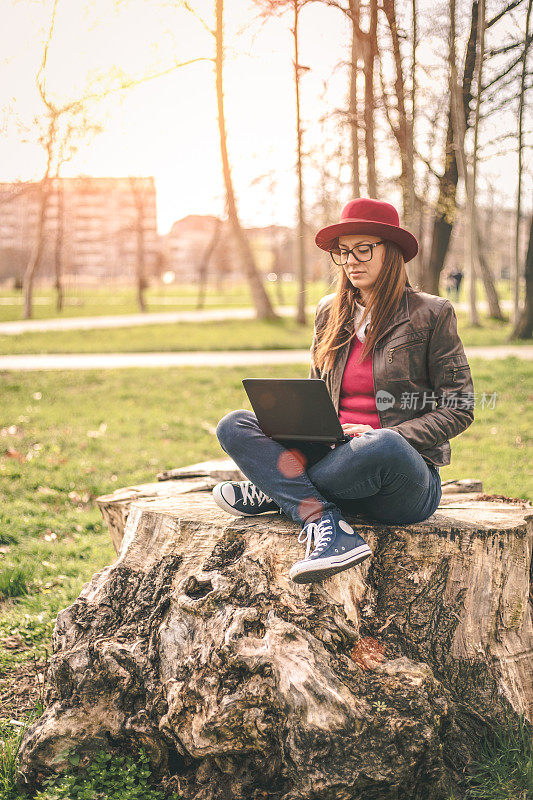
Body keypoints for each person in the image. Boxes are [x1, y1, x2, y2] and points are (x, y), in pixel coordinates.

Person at [212, 198, 475, 585]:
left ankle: (277, 490)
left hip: (401, 475)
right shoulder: (328, 312)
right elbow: (316, 399)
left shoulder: (432, 314)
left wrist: (389, 435)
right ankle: (327, 523)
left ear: (393, 252)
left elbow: (460, 407)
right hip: (335, 461)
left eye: (364, 249)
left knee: (382, 444)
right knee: (233, 424)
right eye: (343, 252)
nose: (352, 260)